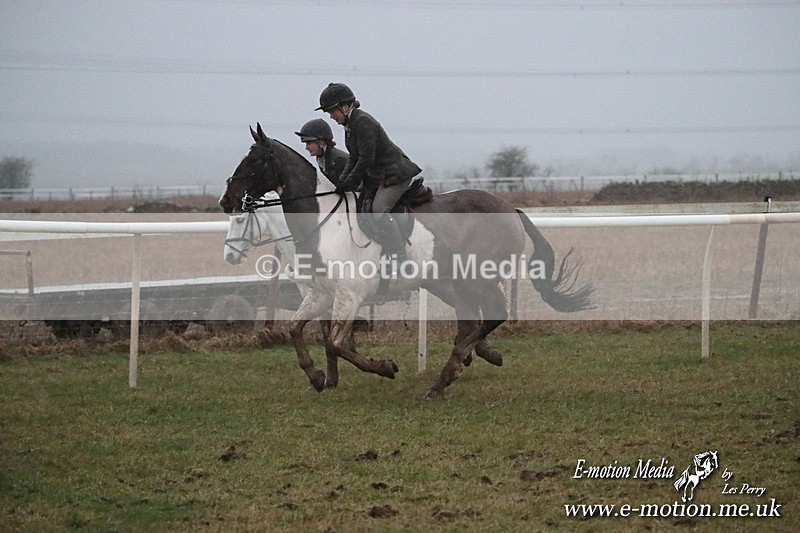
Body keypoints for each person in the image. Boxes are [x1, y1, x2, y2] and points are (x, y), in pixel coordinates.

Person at [316, 82, 421, 260]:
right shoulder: (350, 126)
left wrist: (348, 183)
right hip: (381, 176)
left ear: (346, 106)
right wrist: (340, 184)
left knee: (377, 211)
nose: (331, 116)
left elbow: (366, 160)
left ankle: (399, 256)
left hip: (395, 174)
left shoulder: (362, 122)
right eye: (329, 113)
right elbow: (354, 159)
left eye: (332, 111)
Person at [294, 118, 349, 189]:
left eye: (309, 143)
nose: (306, 148)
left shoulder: (339, 159)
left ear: (321, 142)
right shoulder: (321, 157)